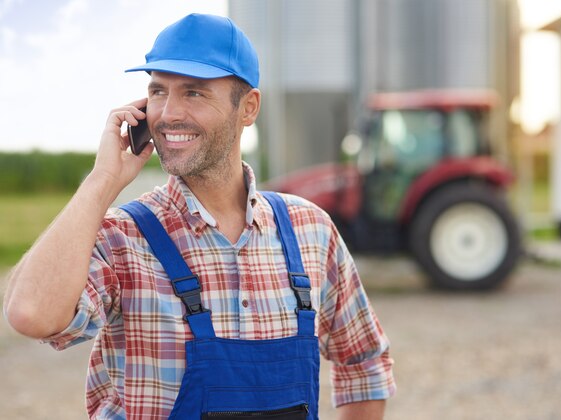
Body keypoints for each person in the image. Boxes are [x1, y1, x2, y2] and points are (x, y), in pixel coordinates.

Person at [3, 13, 395, 419]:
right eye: (158, 91)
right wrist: (101, 181)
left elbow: (363, 363)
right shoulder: (122, 238)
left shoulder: (310, 230)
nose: (168, 113)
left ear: (248, 108)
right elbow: (32, 314)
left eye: (194, 93)